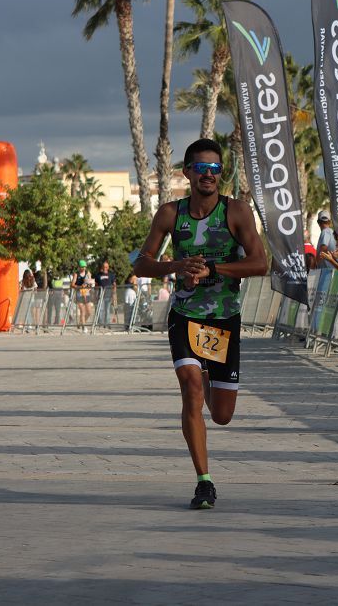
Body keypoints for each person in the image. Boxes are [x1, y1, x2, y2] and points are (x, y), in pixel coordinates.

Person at [133, 138, 267, 510]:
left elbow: (260, 264)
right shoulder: (170, 214)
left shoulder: (237, 212)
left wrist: (215, 268)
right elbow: (140, 264)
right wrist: (176, 266)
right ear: (187, 172)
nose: (208, 175)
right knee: (191, 388)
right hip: (185, 317)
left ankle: (207, 374)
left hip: (224, 320)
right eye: (201, 169)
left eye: (215, 170)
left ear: (220, 175)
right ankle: (203, 482)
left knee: (222, 415)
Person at [71, 260, 94, 330]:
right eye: (82, 267)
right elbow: (72, 285)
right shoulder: (76, 274)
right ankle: (84, 327)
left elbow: (91, 283)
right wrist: (80, 287)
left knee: (89, 312)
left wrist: (88, 285)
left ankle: (81, 323)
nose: (83, 268)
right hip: (79, 294)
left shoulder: (88, 273)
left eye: (84, 267)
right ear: (79, 267)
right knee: (82, 311)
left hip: (87, 293)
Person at [94, 260, 116, 326]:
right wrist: (95, 294)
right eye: (104, 267)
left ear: (108, 267)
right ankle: (100, 323)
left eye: (106, 267)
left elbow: (114, 285)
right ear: (102, 267)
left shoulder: (111, 275)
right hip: (100, 295)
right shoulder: (98, 275)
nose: (105, 268)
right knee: (100, 309)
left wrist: (114, 294)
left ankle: (107, 323)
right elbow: (96, 285)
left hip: (109, 295)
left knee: (107, 310)